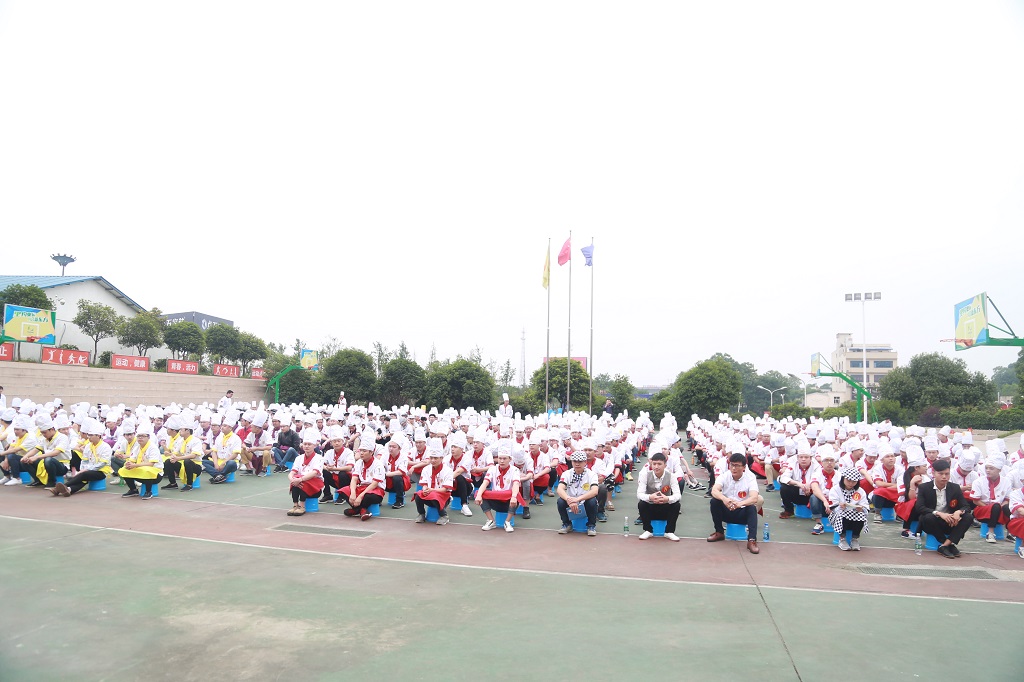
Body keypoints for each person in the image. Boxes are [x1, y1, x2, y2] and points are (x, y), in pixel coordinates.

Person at [915, 459, 973, 559]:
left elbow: (966, 506)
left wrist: (958, 512)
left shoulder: (955, 488)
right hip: (933, 522)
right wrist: (939, 513)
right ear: (933, 473)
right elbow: (919, 508)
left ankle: (944, 545)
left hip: (950, 521)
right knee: (928, 517)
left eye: (947, 474)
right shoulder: (924, 487)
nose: (944, 477)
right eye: (941, 474)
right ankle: (949, 544)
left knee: (968, 517)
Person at [706, 452, 761, 554]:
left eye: (737, 465)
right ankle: (719, 532)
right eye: (732, 465)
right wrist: (724, 499)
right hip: (727, 510)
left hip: (741, 512)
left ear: (744, 467)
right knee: (714, 501)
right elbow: (714, 490)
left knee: (752, 508)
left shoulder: (750, 477)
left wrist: (740, 504)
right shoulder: (724, 476)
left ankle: (752, 540)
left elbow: (754, 498)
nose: (734, 468)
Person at [52, 418, 111, 497]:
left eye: (91, 435)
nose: (88, 437)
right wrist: (82, 469)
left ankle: (59, 488)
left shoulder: (106, 447)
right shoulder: (88, 446)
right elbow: (84, 460)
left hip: (101, 471)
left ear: (98, 436)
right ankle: (69, 490)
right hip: (88, 470)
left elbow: (102, 463)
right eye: (88, 435)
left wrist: (86, 469)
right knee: (83, 478)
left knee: (84, 475)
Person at [475, 446, 523, 532]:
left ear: (510, 459)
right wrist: (478, 495)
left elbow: (516, 484)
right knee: (480, 492)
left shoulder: (515, 470)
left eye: (504, 458)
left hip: (509, 500)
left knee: (516, 494)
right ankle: (491, 520)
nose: (502, 461)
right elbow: (485, 483)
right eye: (500, 458)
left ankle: (507, 521)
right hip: (495, 499)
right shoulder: (492, 469)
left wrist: (514, 496)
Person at [635, 451, 681, 541]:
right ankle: (648, 530)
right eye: (654, 464)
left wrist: (667, 499)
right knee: (641, 504)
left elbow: (678, 495)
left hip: (665, 508)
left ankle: (669, 532)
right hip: (651, 507)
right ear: (651, 464)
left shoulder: (671, 476)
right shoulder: (645, 475)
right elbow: (639, 494)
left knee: (676, 505)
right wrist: (650, 497)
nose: (656, 467)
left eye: (659, 464)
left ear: (665, 465)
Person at [340, 433, 386, 520]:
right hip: (362, 487)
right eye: (360, 450)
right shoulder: (359, 463)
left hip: (375, 490)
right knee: (344, 491)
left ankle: (356, 510)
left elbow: (374, 484)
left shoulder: (378, 464)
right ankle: (362, 510)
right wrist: (353, 493)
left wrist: (360, 496)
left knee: (368, 496)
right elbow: (354, 479)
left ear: (371, 452)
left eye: (364, 451)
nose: (361, 453)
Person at [969, 452, 1012, 543]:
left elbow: (1007, 499)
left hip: (999, 508)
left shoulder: (1006, 482)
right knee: (995, 506)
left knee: (1007, 507)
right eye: (986, 468)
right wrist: (991, 508)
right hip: (982, 509)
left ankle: (1010, 532)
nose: (988, 470)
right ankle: (990, 533)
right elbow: (975, 501)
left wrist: (1000, 507)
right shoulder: (978, 482)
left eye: (991, 468)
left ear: (999, 470)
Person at [556, 450, 599, 536]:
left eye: (580, 461)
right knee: (560, 501)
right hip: (570, 501)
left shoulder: (592, 474)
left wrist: (577, 499)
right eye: (575, 461)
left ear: (585, 462)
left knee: (592, 501)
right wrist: (569, 499)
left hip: (584, 501)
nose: (577, 464)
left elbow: (595, 491)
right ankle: (567, 524)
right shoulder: (566, 474)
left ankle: (591, 525)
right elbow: (560, 489)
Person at [828, 467, 870, 550]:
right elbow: (832, 505)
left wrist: (861, 509)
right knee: (841, 514)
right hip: (838, 514)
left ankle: (855, 539)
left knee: (861, 515)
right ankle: (842, 539)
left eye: (854, 481)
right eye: (848, 480)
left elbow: (865, 504)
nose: (851, 483)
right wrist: (840, 506)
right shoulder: (835, 489)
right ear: (843, 479)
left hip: (854, 514)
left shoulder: (860, 491)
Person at [119, 422, 163, 499]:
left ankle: (148, 492)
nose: (140, 438)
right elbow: (132, 459)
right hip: (141, 472)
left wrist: (135, 465)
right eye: (139, 436)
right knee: (124, 469)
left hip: (156, 474)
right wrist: (128, 463)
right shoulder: (137, 447)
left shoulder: (153, 447)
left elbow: (151, 464)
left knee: (146, 469)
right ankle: (133, 490)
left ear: (148, 437)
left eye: (143, 436)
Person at [287, 428, 325, 516]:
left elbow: (315, 473)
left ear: (314, 446)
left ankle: (302, 506)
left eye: (309, 444)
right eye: (305, 444)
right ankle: (295, 505)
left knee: (304, 481)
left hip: (315, 488)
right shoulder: (299, 458)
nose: (307, 446)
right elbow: (292, 472)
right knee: (295, 480)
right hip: (299, 483)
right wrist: (292, 480)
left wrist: (300, 479)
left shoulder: (319, 458)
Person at [413, 445, 453, 525]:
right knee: (418, 495)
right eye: (431, 458)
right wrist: (425, 489)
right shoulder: (426, 469)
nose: (433, 460)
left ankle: (444, 515)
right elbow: (424, 484)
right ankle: (421, 514)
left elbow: (445, 489)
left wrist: (432, 490)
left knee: (434, 495)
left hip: (443, 496)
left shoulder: (448, 470)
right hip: (429, 494)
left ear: (441, 458)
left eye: (436, 458)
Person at [163, 418, 204, 491]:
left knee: (187, 461)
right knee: (168, 461)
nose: (179, 432)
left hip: (196, 466)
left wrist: (178, 458)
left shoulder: (196, 441)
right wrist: (171, 455)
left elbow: (193, 455)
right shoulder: (181, 440)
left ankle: (189, 485)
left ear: (187, 431)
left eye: (181, 430)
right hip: (183, 464)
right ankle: (173, 484)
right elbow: (176, 452)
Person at [1, 415, 39, 486]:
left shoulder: (30, 438)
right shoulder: (17, 437)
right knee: (4, 456)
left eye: (17, 430)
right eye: (14, 429)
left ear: (24, 430)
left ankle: (17, 478)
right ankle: (7, 476)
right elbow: (11, 448)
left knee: (11, 456)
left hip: (30, 461)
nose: (15, 431)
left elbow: (15, 450)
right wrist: (6, 460)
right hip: (20, 459)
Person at [205, 416, 242, 483]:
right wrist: (216, 464)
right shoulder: (219, 437)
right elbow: (214, 451)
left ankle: (220, 475)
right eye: (222, 425)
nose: (222, 427)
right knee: (202, 462)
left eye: (224, 426)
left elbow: (235, 454)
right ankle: (218, 476)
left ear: (230, 428)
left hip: (228, 462)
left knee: (231, 463)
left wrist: (223, 463)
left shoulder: (236, 438)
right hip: (218, 461)